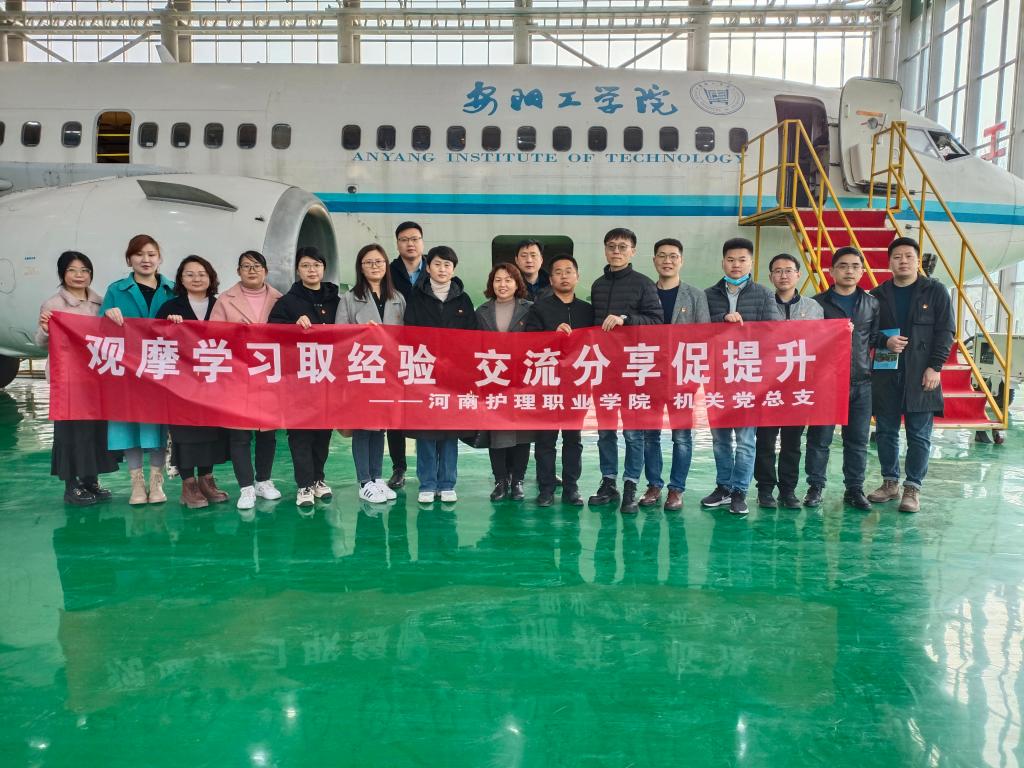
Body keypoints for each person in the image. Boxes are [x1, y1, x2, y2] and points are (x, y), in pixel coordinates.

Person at [867, 237, 954, 513]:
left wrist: (935, 367)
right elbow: (867, 332)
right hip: (886, 373)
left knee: (919, 434)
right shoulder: (877, 295)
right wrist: (885, 341)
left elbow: (946, 331)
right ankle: (890, 483)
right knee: (886, 432)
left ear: (918, 261)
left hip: (922, 373)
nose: (903, 261)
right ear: (889, 263)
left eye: (908, 256)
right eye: (897, 257)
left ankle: (913, 487)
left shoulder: (935, 291)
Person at [702, 237, 784, 516]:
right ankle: (723, 487)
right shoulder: (708, 295)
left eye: (742, 260)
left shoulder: (764, 295)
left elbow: (773, 333)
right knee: (720, 439)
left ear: (751, 262)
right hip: (717, 378)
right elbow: (698, 331)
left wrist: (745, 327)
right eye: (730, 260)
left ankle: (739, 491)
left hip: (748, 378)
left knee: (746, 440)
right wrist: (721, 321)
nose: (736, 265)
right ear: (723, 262)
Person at [587, 227, 664, 513]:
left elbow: (656, 322)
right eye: (611, 246)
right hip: (604, 370)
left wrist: (626, 318)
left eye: (622, 247)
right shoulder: (597, 285)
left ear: (633, 251)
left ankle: (631, 484)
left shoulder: (644, 284)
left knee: (633, 433)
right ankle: (609, 482)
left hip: (633, 371)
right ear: (605, 250)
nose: (616, 251)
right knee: (605, 431)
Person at [37, 251, 119, 506]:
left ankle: (90, 480)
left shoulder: (101, 304)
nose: (79, 275)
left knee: (94, 431)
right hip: (68, 381)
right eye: (72, 270)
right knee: (71, 432)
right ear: (62, 274)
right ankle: (71, 485)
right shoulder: (53, 305)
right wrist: (45, 329)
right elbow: (42, 343)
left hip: (95, 378)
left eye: (84, 270)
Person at [100, 234, 177, 505]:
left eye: (151, 254)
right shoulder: (116, 291)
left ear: (160, 258)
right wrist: (107, 315)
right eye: (139, 254)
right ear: (129, 259)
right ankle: (136, 484)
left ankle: (156, 483)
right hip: (127, 371)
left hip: (160, 369)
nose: (146, 260)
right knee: (128, 425)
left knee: (157, 426)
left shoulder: (172, 290)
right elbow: (98, 331)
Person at [209, 250, 285, 516]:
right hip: (237, 376)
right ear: (238, 271)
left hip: (268, 375)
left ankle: (263, 480)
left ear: (265, 271)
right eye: (246, 266)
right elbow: (213, 335)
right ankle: (246, 487)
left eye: (257, 266)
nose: (252, 271)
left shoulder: (280, 299)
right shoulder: (225, 300)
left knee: (267, 433)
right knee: (240, 435)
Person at [805, 246, 879, 510]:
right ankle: (815, 487)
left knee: (857, 440)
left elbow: (872, 339)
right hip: (826, 383)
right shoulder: (817, 304)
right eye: (843, 266)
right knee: (819, 439)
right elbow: (809, 341)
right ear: (831, 271)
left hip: (861, 382)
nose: (849, 271)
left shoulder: (871, 304)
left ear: (862, 271)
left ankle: (854, 489)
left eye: (855, 266)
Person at [639, 238, 710, 512]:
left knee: (681, 436)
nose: (667, 261)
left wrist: (695, 374)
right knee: (650, 434)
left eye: (673, 256)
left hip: (682, 376)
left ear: (681, 260)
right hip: (649, 374)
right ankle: (654, 485)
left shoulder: (695, 296)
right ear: (654, 260)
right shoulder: (644, 293)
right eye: (662, 255)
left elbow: (704, 336)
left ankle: (676, 488)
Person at [156, 255, 231, 509]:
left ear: (210, 278)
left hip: (213, 380)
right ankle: (188, 485)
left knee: (211, 431)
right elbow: (154, 339)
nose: (196, 278)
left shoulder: (220, 305)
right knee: (186, 433)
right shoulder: (170, 308)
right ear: (180, 279)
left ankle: (206, 480)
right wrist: (168, 327)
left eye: (201, 274)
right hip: (181, 384)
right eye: (189, 274)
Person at [404, 245, 477, 504]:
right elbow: (409, 333)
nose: (442, 269)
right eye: (437, 264)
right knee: (426, 430)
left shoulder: (463, 300)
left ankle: (447, 483)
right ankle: (427, 483)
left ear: (453, 269)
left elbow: (471, 337)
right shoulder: (416, 297)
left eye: (447, 265)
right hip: (425, 372)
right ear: (428, 267)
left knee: (449, 430)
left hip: (454, 375)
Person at [268, 246, 340, 509]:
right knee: (300, 434)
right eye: (306, 266)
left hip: (328, 378)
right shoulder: (287, 302)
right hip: (297, 381)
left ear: (324, 269)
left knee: (323, 434)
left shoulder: (336, 300)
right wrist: (292, 327)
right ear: (298, 270)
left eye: (316, 265)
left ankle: (318, 479)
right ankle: (304, 485)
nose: (312, 270)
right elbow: (271, 333)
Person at [753, 253, 824, 510]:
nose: (783, 275)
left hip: (798, 387)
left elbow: (823, 342)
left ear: (798, 274)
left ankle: (788, 490)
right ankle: (764, 489)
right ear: (771, 276)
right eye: (778, 271)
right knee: (765, 441)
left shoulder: (813, 308)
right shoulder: (761, 305)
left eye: (788, 270)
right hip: (767, 386)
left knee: (792, 442)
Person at [336, 244, 406, 503]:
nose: (374, 266)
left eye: (379, 262)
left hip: (389, 372)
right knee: (363, 428)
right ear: (360, 267)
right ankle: (364, 481)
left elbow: (406, 337)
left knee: (380, 427)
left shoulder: (397, 298)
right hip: (363, 371)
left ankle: (377, 477)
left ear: (386, 265)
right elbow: (339, 336)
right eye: (368, 262)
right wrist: (361, 332)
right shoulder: (349, 298)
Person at [525, 254, 594, 507]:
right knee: (546, 440)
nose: (564, 276)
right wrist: (551, 336)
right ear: (551, 279)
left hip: (577, 385)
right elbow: (528, 343)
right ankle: (546, 489)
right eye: (558, 272)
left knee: (573, 439)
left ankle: (571, 488)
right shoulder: (539, 309)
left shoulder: (588, 311)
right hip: (547, 385)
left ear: (577, 276)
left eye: (568, 271)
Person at [475, 262, 534, 502]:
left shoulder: (530, 309)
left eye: (508, 280)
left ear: (517, 283)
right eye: (498, 280)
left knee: (522, 433)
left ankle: (518, 480)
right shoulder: (481, 311)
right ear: (491, 283)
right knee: (497, 432)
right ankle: (500, 480)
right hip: (493, 378)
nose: (503, 284)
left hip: (523, 379)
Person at [385, 221, 425, 489]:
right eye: (404, 239)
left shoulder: (435, 268)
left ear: (422, 241)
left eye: (414, 238)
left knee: (425, 408)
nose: (410, 244)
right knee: (395, 410)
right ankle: (399, 468)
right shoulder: (388, 272)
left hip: (426, 352)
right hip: (394, 350)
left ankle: (426, 467)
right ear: (397, 243)